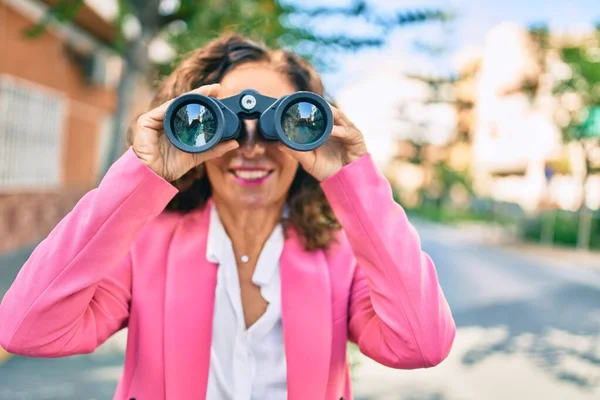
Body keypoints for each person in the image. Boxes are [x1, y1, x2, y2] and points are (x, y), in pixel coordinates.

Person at [0, 34, 455, 400]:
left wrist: (353, 180)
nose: (251, 147)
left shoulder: (341, 257)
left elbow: (420, 345)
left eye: (284, 123)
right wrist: (139, 177)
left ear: (313, 132)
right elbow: (26, 329)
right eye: (224, 122)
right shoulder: (146, 246)